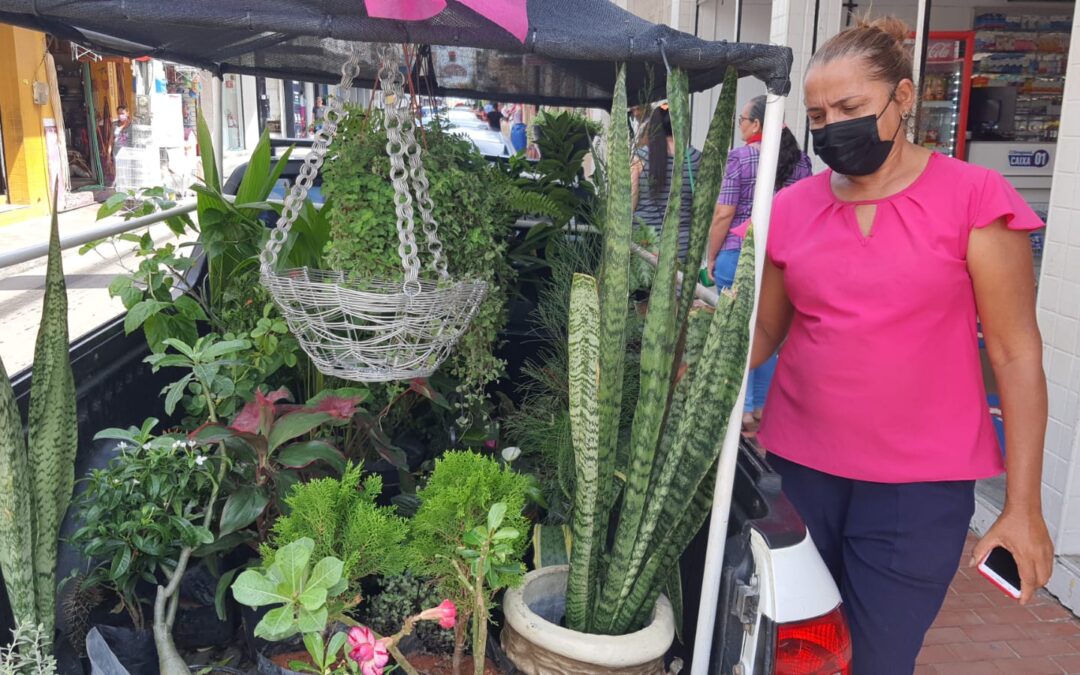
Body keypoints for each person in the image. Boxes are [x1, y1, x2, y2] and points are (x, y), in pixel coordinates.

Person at [749, 16, 1053, 674]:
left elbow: (1016, 354)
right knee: (792, 651)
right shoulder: (794, 207)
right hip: (800, 474)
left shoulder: (975, 199)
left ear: (905, 98)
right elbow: (767, 328)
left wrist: (1023, 507)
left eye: (851, 108)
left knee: (878, 657)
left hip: (917, 493)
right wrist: (697, 362)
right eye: (820, 114)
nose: (832, 127)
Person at [707, 95, 812, 433]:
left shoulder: (739, 158)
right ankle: (764, 407)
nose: (739, 125)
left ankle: (744, 410)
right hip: (781, 260)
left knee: (736, 333)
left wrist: (710, 255)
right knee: (769, 331)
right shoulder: (801, 161)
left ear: (756, 124)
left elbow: (723, 213)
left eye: (742, 119)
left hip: (738, 254)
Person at [630, 105, 702, 261]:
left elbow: (631, 200)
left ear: (653, 126)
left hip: (645, 242)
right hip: (681, 245)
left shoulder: (639, 157)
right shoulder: (695, 158)